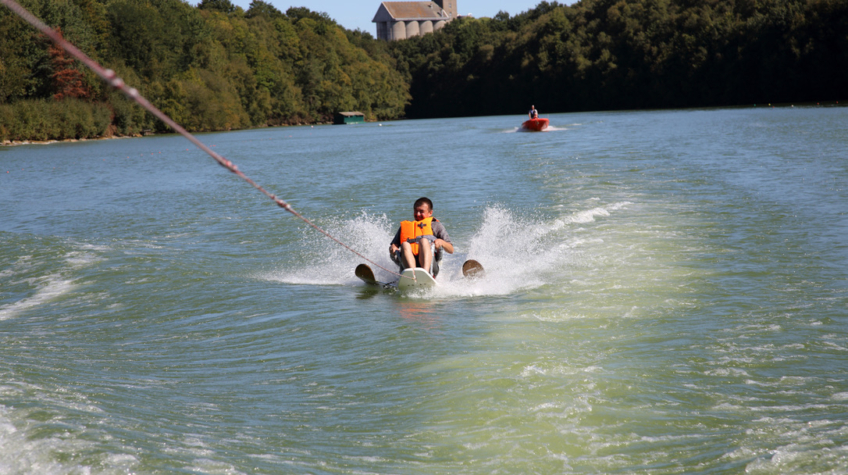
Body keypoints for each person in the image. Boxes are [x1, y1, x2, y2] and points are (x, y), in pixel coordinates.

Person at [390, 197, 454, 277]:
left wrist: (442, 242)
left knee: (423, 241)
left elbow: (451, 250)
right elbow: (394, 245)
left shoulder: (436, 225)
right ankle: (412, 275)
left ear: (430, 213)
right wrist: (393, 247)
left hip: (430, 267)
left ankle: (425, 274)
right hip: (407, 266)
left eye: (421, 211)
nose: (418, 214)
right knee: (405, 244)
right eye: (416, 211)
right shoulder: (405, 227)